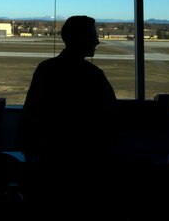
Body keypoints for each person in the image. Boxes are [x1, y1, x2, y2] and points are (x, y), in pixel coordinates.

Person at [21, 15, 117, 170]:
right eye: (93, 36)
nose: (97, 41)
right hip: (86, 159)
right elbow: (109, 118)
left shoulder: (45, 69)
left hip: (50, 159)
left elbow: (31, 114)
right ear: (79, 39)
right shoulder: (93, 76)